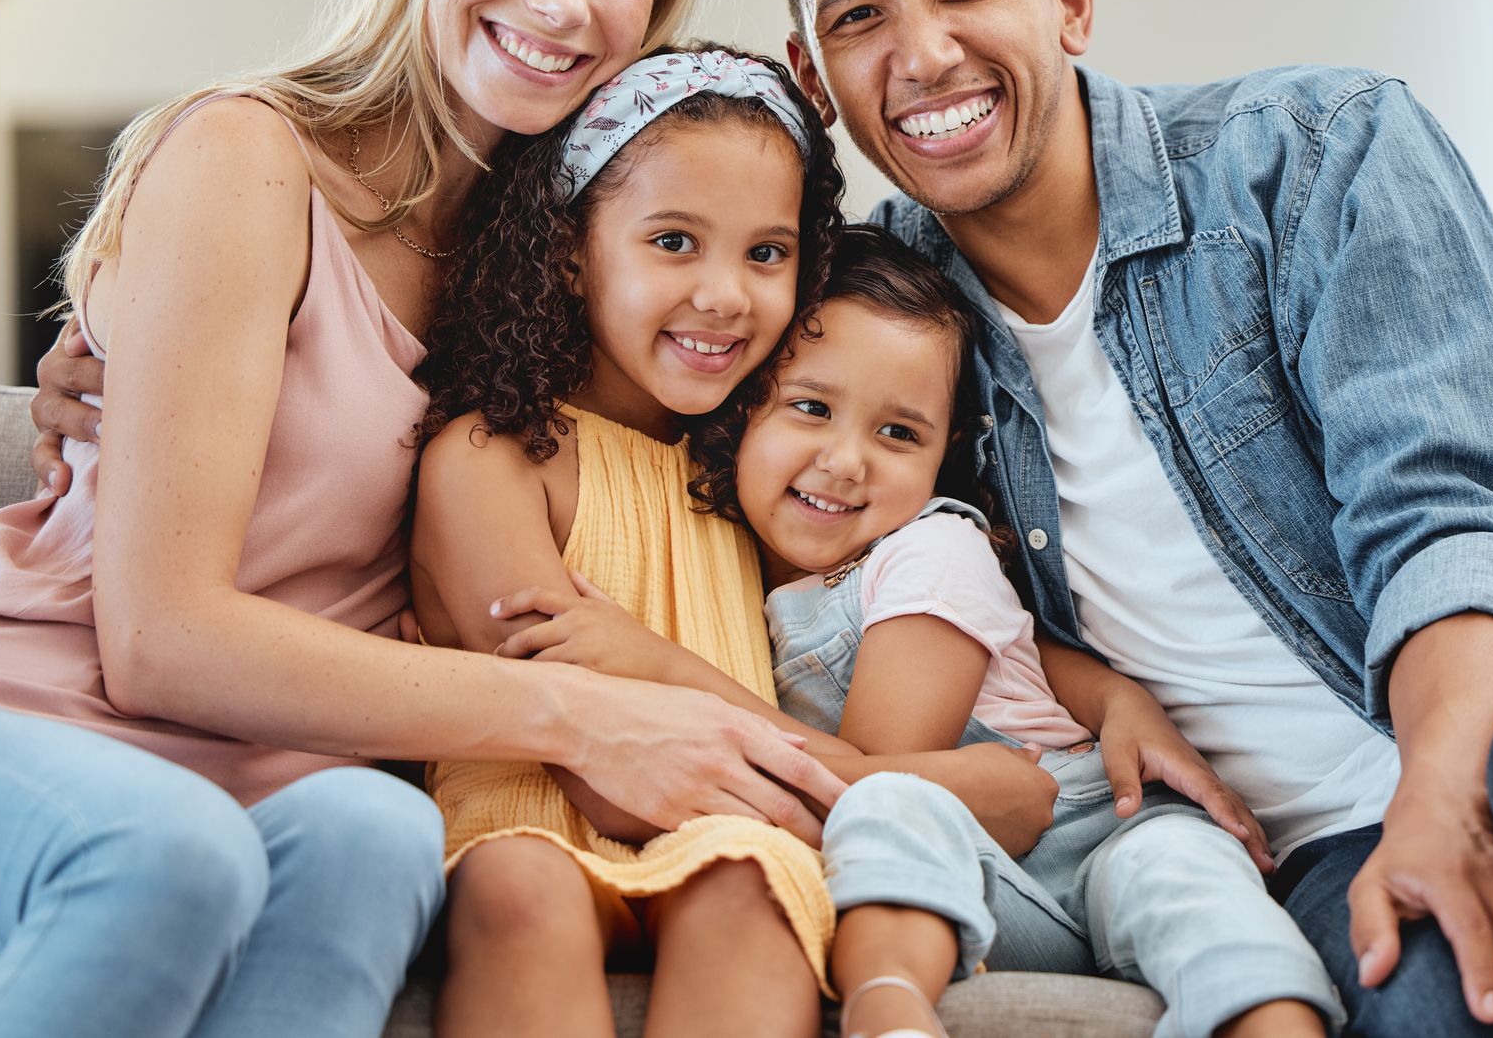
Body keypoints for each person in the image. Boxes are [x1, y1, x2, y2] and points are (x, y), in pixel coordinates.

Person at [0, 0, 849, 1038]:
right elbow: (161, 636)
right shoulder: (250, 156)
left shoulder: (550, 286)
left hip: (255, 771)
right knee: (170, 852)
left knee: (380, 829)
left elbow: (824, 339)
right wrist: (589, 715)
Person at [772, 0, 1493, 1036]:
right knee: (1423, 1003)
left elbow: (1444, 510)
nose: (922, 52)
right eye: (858, 17)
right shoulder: (874, 319)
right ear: (816, 80)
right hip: (1307, 846)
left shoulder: (1314, 151)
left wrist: (1446, 782)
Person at [412, 54, 1064, 1038]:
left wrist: (1110, 700)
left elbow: (895, 614)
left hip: (736, 831)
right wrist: (945, 788)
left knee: (751, 882)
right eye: (674, 240)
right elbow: (603, 769)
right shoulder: (494, 455)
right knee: (522, 884)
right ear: (571, 249)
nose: (724, 295)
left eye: (766, 252)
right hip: (533, 825)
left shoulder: (742, 464)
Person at [704, 223, 1344, 1038]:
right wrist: (1114, 695)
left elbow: (869, 770)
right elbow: (1026, 666)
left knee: (1181, 878)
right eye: (812, 407)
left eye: (898, 432)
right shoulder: (729, 573)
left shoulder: (931, 549)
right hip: (976, 883)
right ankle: (893, 1012)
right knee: (897, 818)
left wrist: (663, 675)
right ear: (745, 404)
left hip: (1100, 826)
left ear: (946, 458)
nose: (845, 460)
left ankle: (1271, 1022)